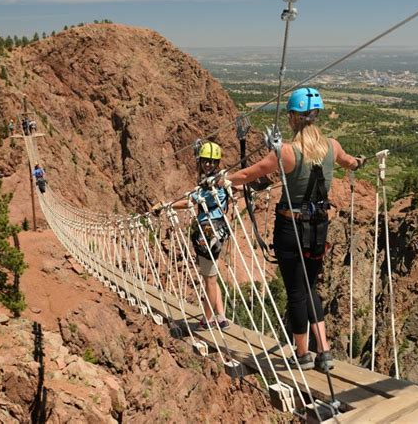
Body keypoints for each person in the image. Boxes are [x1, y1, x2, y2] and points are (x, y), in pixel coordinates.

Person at [222, 88, 365, 372]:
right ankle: (323, 350)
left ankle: (302, 353)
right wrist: (359, 162)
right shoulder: (332, 146)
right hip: (319, 227)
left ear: (293, 118)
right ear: (316, 116)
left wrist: (222, 179)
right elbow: (350, 161)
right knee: (311, 286)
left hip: (291, 227)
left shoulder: (287, 152)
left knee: (296, 291)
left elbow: (251, 174)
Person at [155, 142, 231, 331]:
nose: (207, 164)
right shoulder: (209, 181)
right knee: (212, 274)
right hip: (217, 229)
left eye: (211, 161)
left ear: (217, 162)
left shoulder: (214, 182)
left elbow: (189, 202)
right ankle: (221, 316)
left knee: (209, 280)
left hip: (208, 232)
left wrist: (166, 205)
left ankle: (208, 319)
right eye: (205, 160)